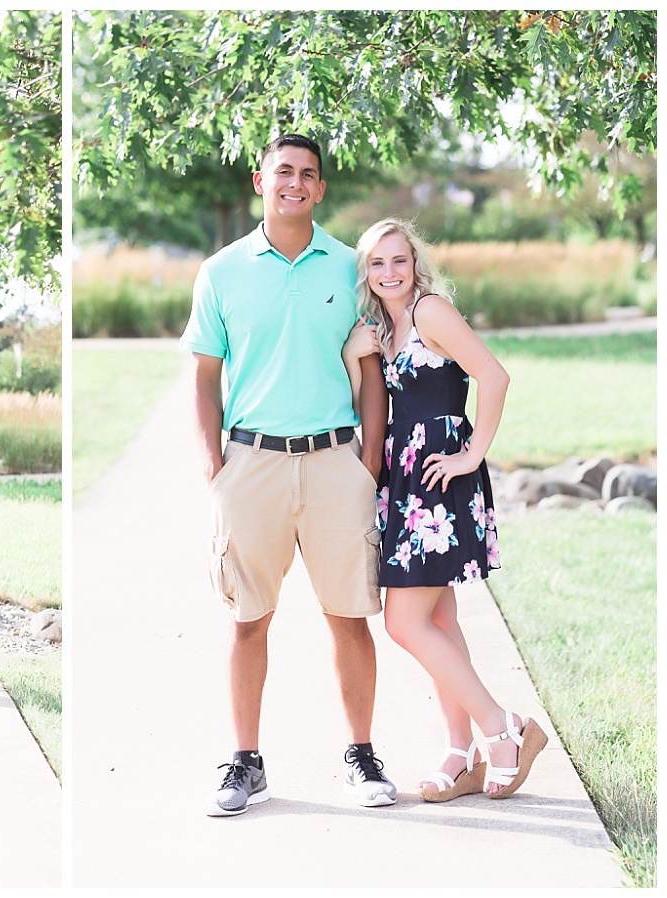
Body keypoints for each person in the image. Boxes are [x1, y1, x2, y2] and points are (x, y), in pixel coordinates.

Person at [182, 134, 397, 817]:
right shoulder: (220, 271)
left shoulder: (349, 267)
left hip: (337, 464)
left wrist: (368, 462)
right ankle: (246, 763)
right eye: (284, 172)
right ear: (260, 180)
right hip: (251, 465)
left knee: (350, 618)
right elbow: (204, 374)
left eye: (308, 174)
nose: (295, 183)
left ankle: (361, 756)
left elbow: (370, 371)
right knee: (248, 621)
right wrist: (214, 463)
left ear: (321, 188)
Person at [342, 218, 547, 800]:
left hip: (438, 481)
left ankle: (502, 728)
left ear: (415, 262)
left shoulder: (430, 311)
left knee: (403, 622)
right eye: (376, 264)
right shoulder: (384, 325)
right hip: (405, 484)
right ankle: (459, 756)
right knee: (438, 620)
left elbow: (493, 375)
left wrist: (470, 455)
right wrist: (360, 353)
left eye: (398, 261)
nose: (388, 273)